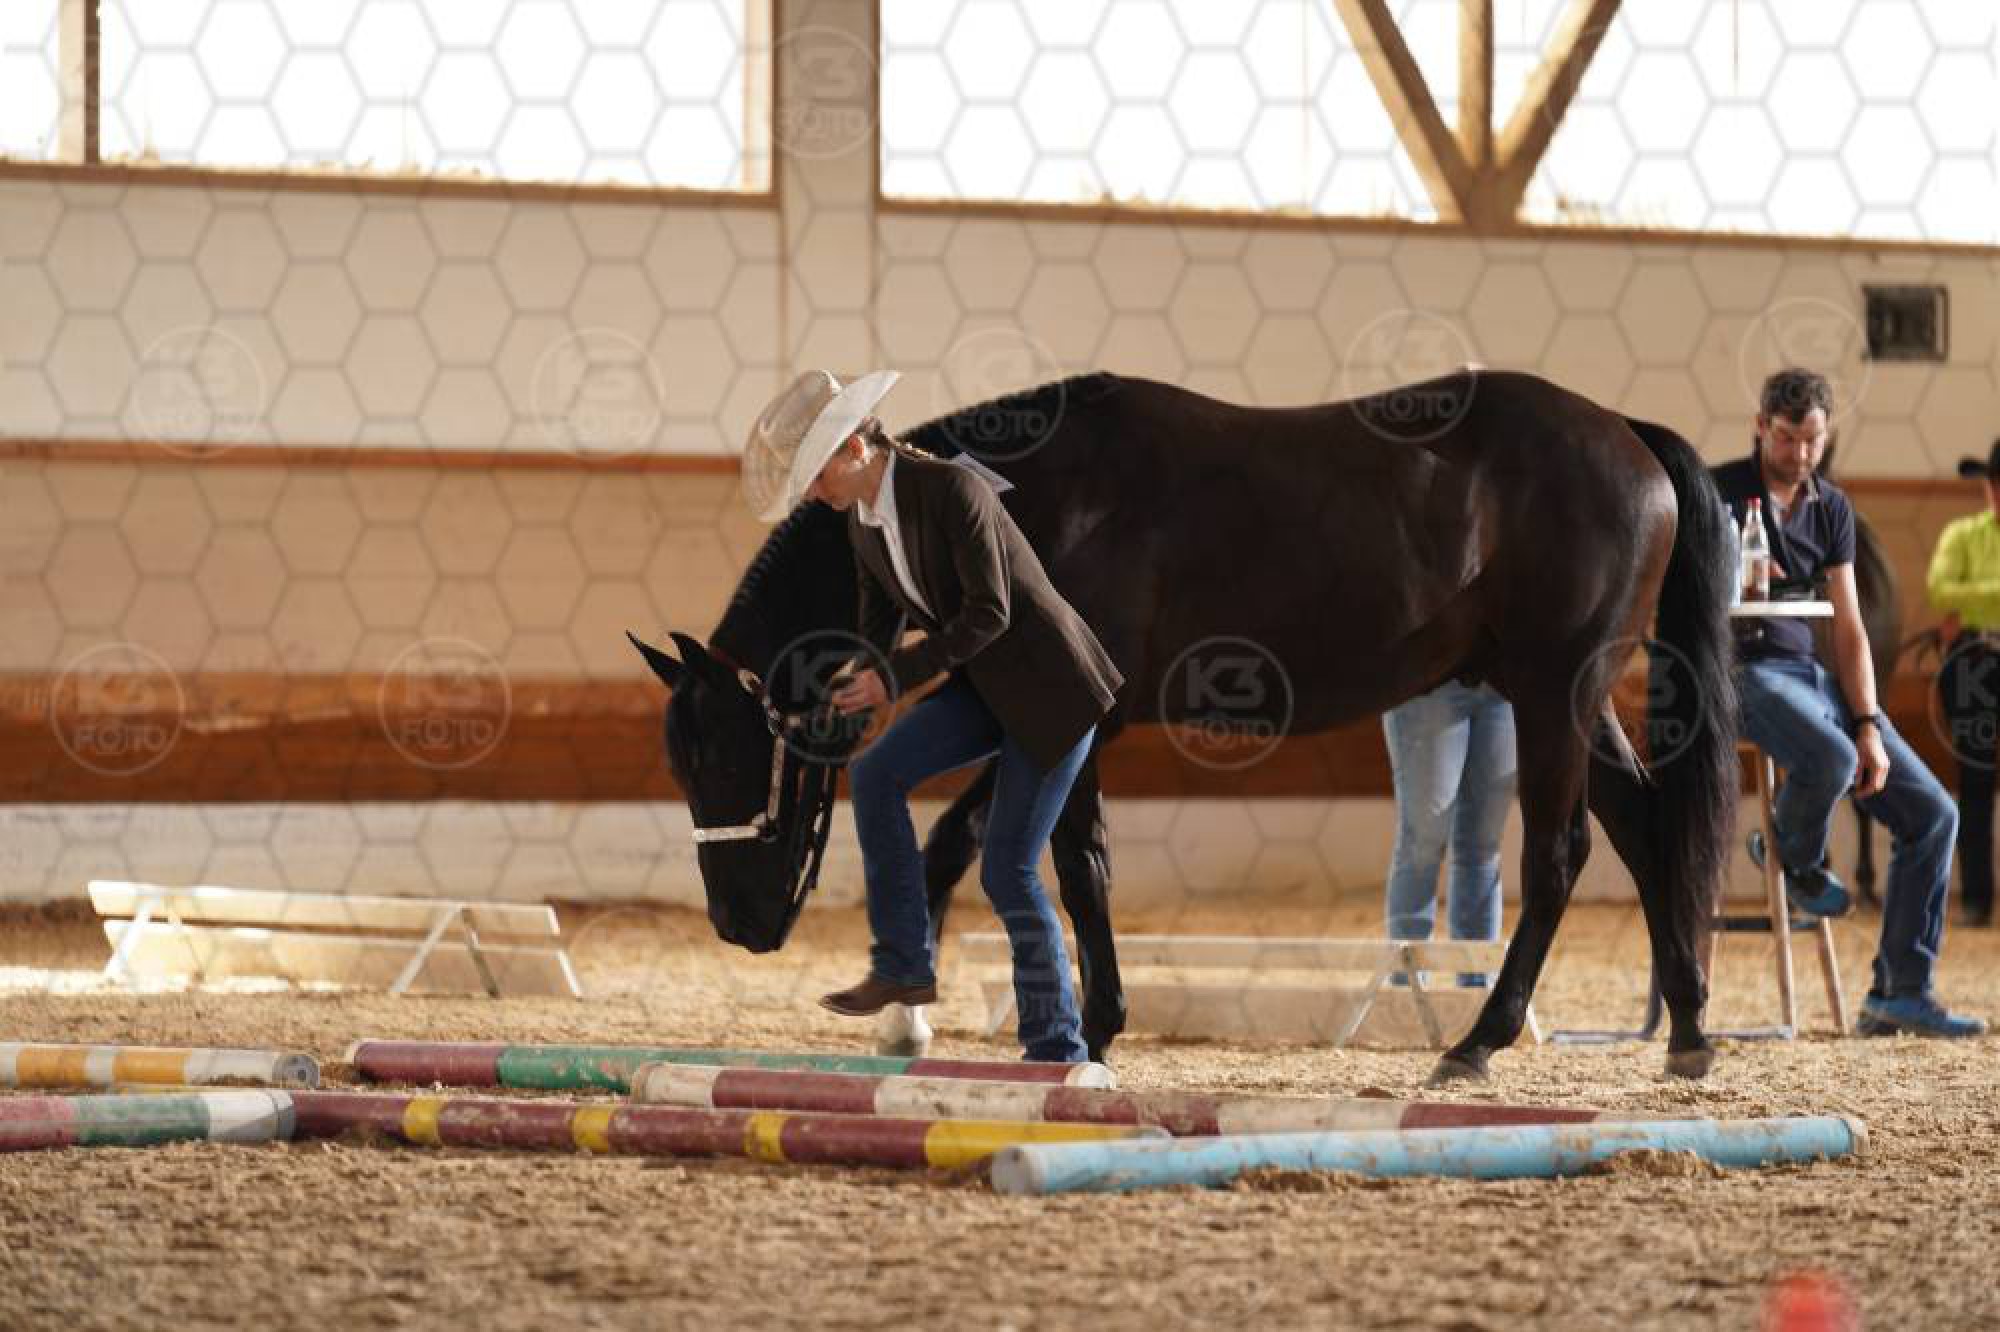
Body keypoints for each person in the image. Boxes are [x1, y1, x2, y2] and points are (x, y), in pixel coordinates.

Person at [743, 369, 1124, 1063]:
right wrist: (842, 691)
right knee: (877, 771)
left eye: (817, 475)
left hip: (1053, 691)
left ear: (855, 448)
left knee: (1007, 871)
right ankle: (904, 965)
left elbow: (990, 613)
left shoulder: (953, 490)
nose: (812, 493)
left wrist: (891, 680)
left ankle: (1058, 1051)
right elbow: (878, 634)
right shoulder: (861, 525)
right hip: (987, 687)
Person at [1713, 367, 1983, 1038]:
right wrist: (1729, 573)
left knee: (1934, 814)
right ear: (1760, 426)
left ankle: (1900, 991)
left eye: (1813, 440)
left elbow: (1850, 626)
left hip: (1811, 677)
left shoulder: (1831, 508)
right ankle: (1796, 856)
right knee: (1831, 758)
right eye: (1787, 438)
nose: (1801, 454)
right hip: (1738, 673)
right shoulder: (1719, 492)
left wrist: (1866, 721)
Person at [1381, 681, 1516, 983]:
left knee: (1483, 848)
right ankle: (1408, 992)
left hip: (1504, 686)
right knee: (1422, 845)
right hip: (1431, 681)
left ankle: (1477, 992)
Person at [1925, 436, 2000, 927]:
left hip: (1975, 646)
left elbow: (1954, 594)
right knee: (1974, 780)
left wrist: (1971, 599)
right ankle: (1976, 898)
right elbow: (1939, 590)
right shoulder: (1961, 534)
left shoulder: (1965, 540)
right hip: (1976, 661)